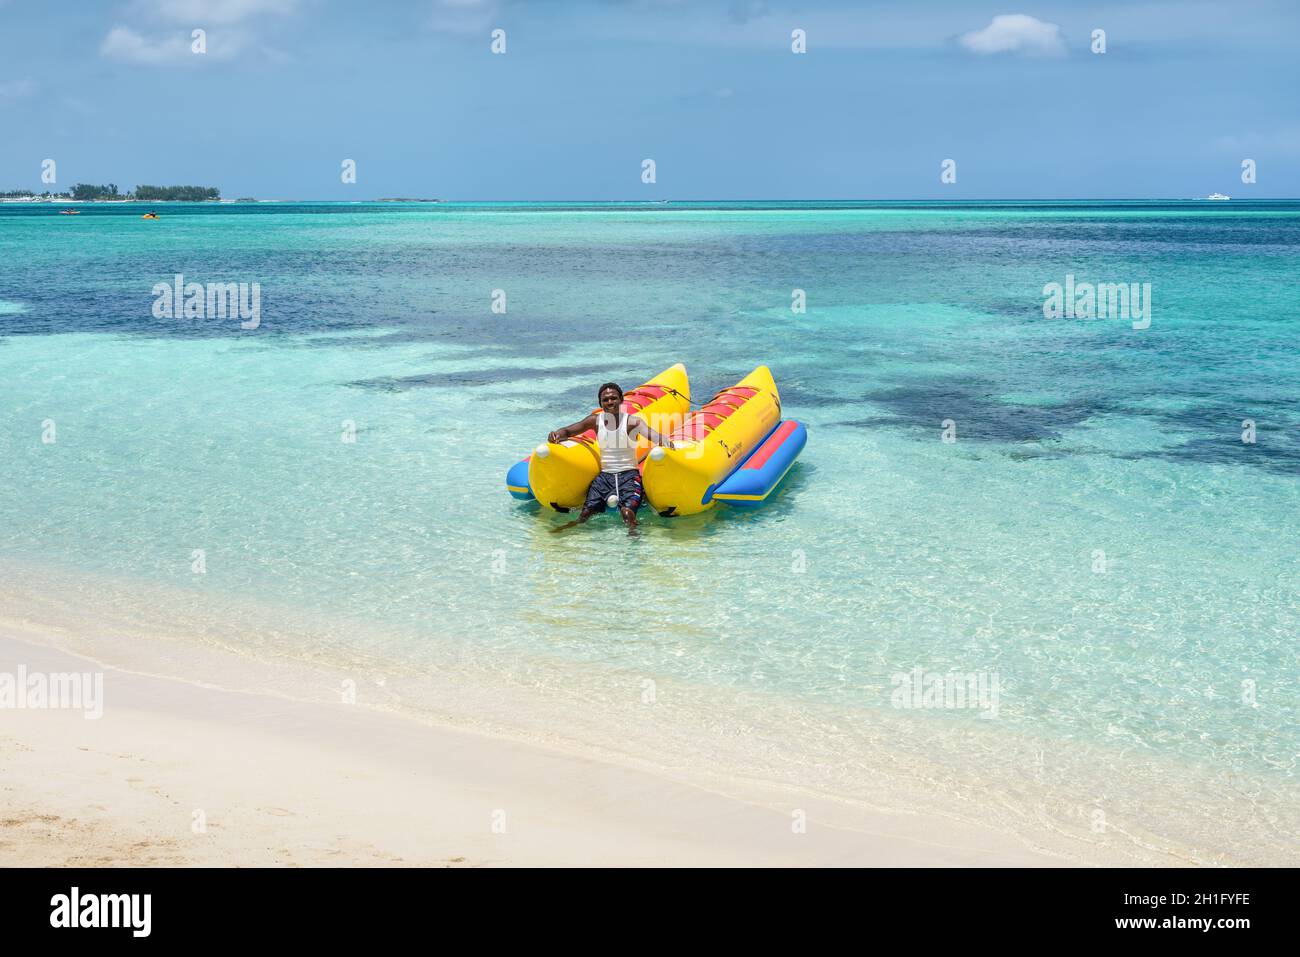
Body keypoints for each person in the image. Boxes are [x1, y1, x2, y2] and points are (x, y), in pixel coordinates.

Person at [548, 382, 675, 535]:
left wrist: (666, 442)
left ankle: (634, 540)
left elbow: (652, 435)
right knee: (585, 514)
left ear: (621, 399)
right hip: (604, 477)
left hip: (629, 476)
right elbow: (568, 430)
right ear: (600, 403)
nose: (610, 402)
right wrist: (557, 434)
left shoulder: (632, 422)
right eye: (605, 400)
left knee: (627, 514)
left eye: (613, 398)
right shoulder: (595, 421)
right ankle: (568, 530)